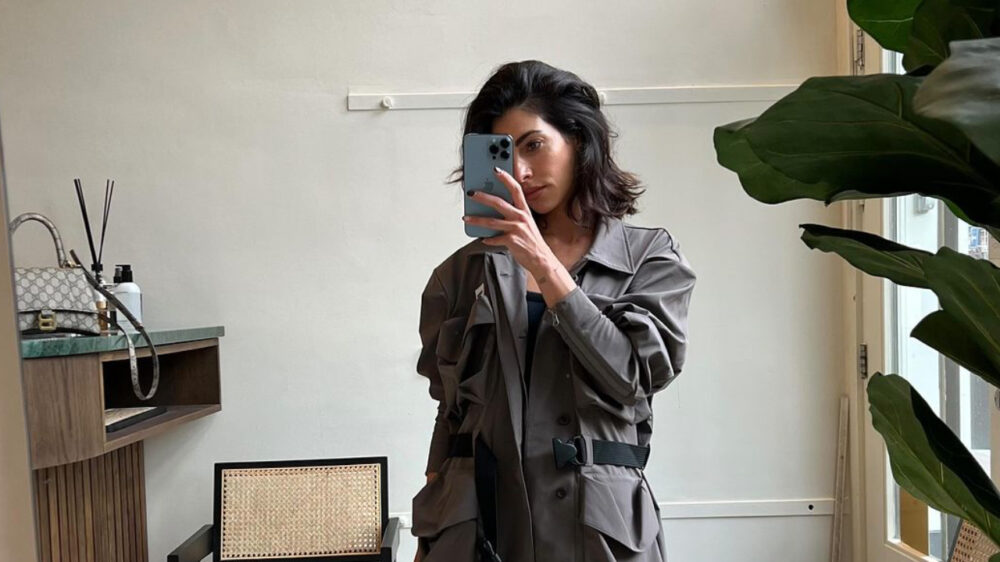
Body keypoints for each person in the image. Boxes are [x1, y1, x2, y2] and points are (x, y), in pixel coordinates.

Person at [412, 60, 696, 562]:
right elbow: (450, 413)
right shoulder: (458, 275)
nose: (520, 172)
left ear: (579, 141)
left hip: (597, 533)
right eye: (504, 153)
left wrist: (542, 265)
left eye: (534, 145)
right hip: (478, 530)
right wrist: (429, 531)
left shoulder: (648, 258)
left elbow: (632, 378)